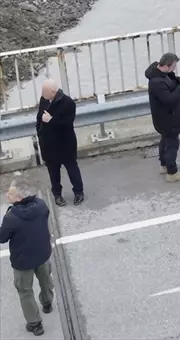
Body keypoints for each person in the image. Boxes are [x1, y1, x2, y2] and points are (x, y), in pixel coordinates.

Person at [0, 178, 54, 336]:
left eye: (10, 194)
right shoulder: (42, 205)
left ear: (19, 198)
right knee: (45, 281)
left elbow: (2, 237)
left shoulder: (11, 217)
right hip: (42, 253)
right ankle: (47, 303)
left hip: (23, 261)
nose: (6, 195)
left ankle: (35, 323)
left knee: (25, 291)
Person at [146, 52, 180, 183]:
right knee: (172, 144)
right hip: (168, 119)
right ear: (167, 66)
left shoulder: (159, 74)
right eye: (173, 66)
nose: (174, 69)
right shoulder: (157, 82)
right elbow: (169, 99)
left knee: (165, 141)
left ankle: (164, 165)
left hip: (163, 118)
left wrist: (179, 80)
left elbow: (169, 83)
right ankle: (172, 173)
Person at [36, 80, 84, 206]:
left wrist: (51, 120)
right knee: (53, 172)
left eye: (44, 91)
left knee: (72, 168)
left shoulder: (68, 103)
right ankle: (57, 194)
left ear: (53, 92)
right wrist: (40, 132)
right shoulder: (44, 100)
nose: (42, 93)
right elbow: (39, 118)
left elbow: (67, 124)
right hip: (48, 144)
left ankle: (79, 192)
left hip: (65, 144)